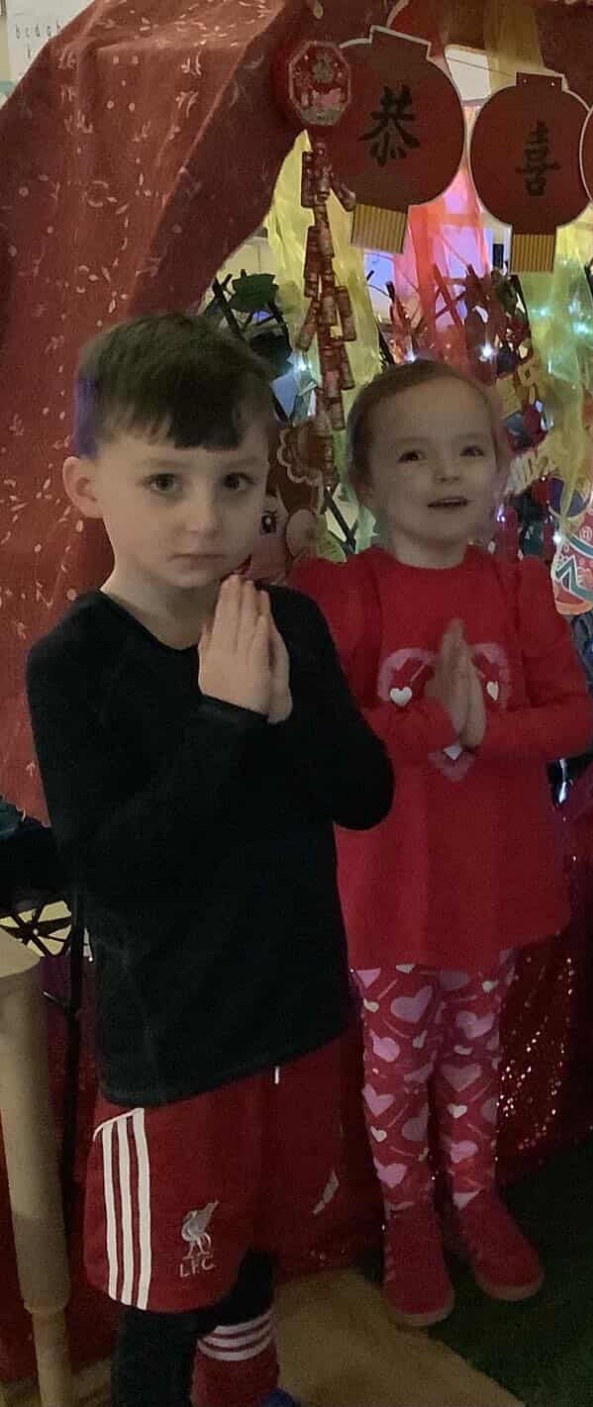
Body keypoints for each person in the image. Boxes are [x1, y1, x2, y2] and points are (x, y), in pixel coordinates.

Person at [26, 313, 393, 1407]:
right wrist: (224, 720)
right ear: (88, 487)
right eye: (165, 482)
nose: (204, 517)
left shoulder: (288, 622)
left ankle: (244, 1390)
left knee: (257, 1242)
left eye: (233, 482)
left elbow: (364, 796)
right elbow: (110, 873)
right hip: (176, 1051)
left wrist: (286, 711)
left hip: (296, 1011)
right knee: (164, 1293)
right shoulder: (74, 664)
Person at [294, 360, 593, 1326]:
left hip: (491, 878)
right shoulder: (345, 595)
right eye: (414, 455)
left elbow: (575, 718)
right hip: (389, 886)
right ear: (366, 481)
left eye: (469, 450)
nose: (446, 472)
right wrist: (429, 723)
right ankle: (408, 1214)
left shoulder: (519, 586)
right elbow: (321, 739)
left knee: (475, 1048)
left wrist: (482, 728)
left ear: (501, 468)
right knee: (396, 1062)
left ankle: (474, 1194)